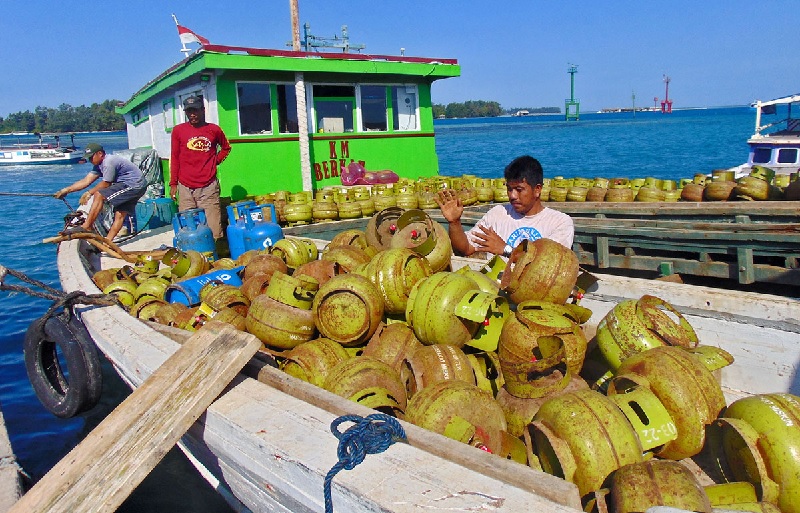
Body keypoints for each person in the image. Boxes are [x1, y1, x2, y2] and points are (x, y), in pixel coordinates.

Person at [436, 155, 574, 258]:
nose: (512, 195)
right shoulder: (498, 214)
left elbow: (549, 263)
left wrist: (505, 249)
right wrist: (454, 222)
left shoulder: (560, 222)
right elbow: (466, 248)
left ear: (537, 189)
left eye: (519, 190)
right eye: (509, 189)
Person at [54, 143, 147, 242]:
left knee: (99, 195)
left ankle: (87, 226)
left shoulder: (108, 162)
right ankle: (107, 242)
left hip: (133, 185)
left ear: (100, 154)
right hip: (135, 186)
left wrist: (89, 193)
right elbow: (86, 181)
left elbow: (106, 183)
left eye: (91, 157)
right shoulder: (98, 166)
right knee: (119, 215)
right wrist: (66, 190)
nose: (90, 160)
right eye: (88, 158)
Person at [169, 95, 232, 239]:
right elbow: (175, 157)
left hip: (208, 186)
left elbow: (226, 148)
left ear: (203, 110)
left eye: (195, 110)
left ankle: (214, 251)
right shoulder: (178, 131)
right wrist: (173, 184)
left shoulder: (214, 130)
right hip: (185, 187)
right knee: (188, 229)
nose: (192, 114)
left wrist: (214, 161)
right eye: (189, 111)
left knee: (214, 230)